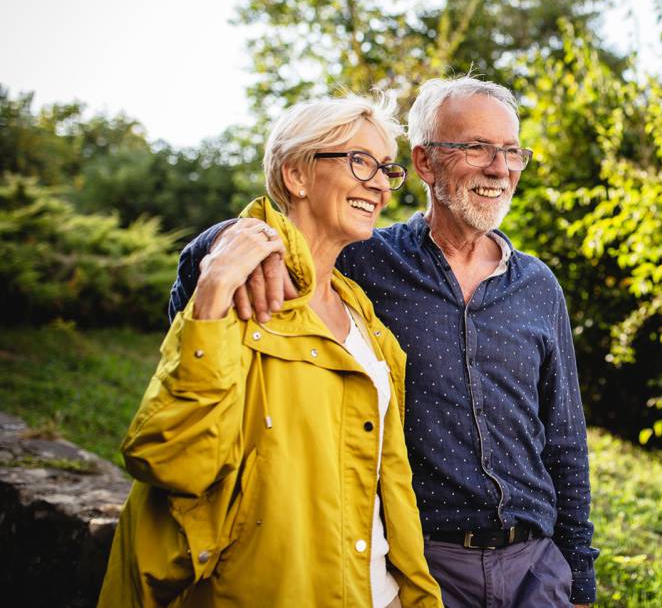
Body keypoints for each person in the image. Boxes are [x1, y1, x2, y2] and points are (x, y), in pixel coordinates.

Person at [169, 77, 598, 607]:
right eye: (478, 148)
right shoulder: (365, 259)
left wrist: (577, 574)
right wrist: (229, 238)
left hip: (537, 569)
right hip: (425, 561)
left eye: (512, 152)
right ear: (424, 163)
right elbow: (197, 288)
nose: (500, 168)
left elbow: (564, 436)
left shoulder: (537, 285)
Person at [98, 94, 443, 607]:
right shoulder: (243, 295)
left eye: (386, 169)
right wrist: (213, 289)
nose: (379, 183)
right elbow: (174, 459)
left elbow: (386, 485)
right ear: (296, 175)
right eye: (359, 161)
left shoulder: (365, 320)